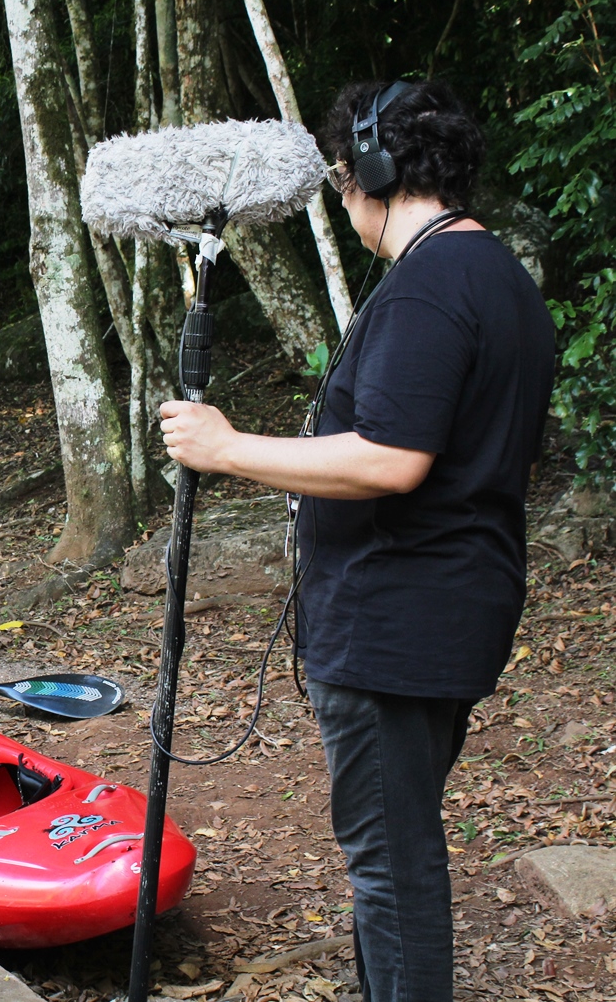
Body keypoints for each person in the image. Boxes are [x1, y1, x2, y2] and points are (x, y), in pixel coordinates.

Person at [158, 80, 554, 1002]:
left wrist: (224, 447)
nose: (342, 200)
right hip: (444, 611)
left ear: (375, 168)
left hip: (395, 626)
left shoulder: (427, 287)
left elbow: (392, 458)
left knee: (390, 866)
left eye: (341, 176)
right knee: (395, 847)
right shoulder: (494, 275)